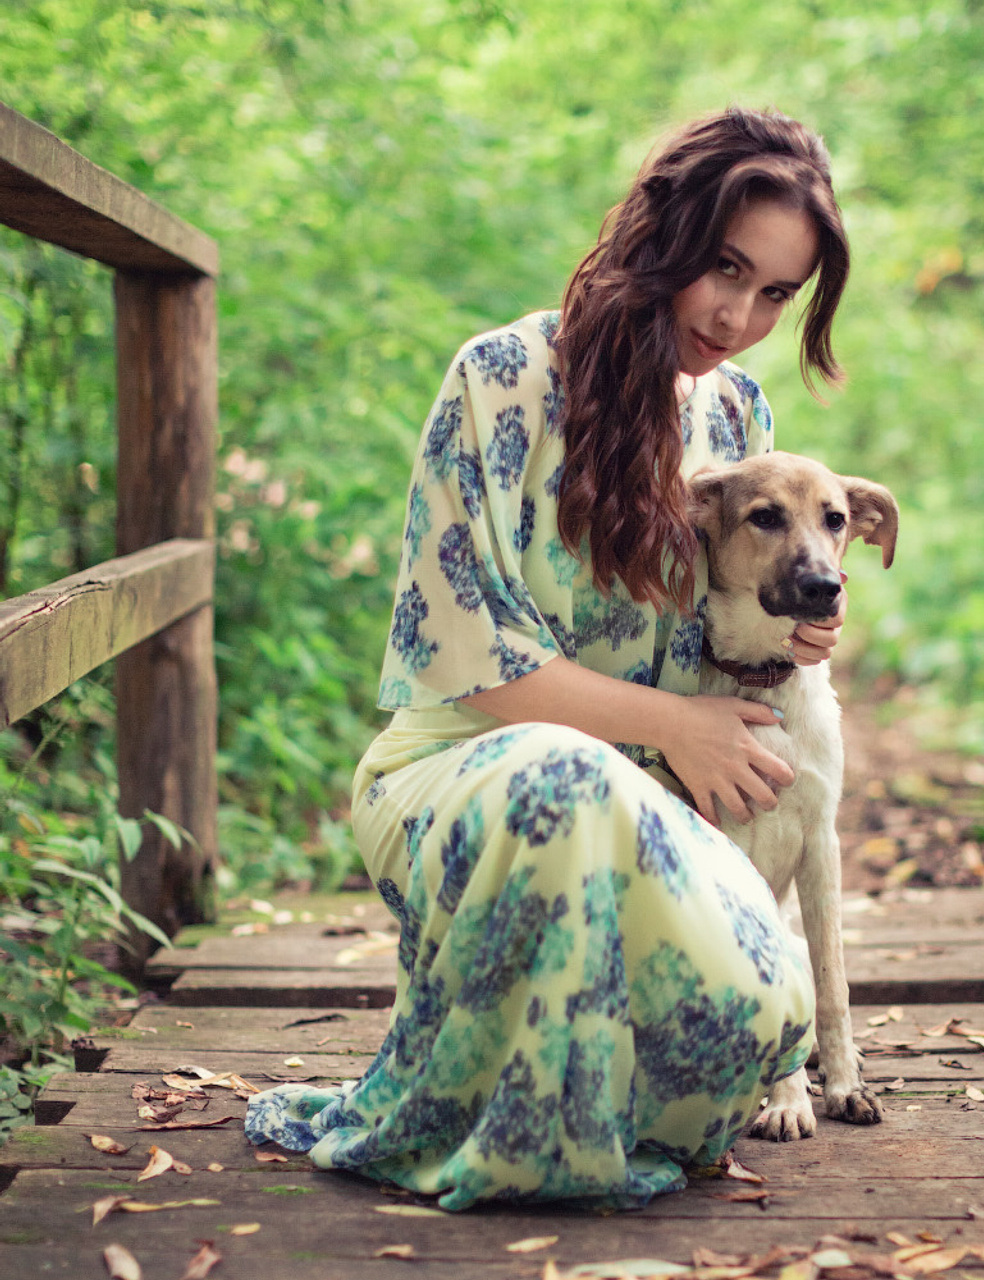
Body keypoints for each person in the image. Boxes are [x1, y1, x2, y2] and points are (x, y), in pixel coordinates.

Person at [246, 105, 852, 1210]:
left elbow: (732, 629)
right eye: (725, 267)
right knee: (565, 771)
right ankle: (513, 1129)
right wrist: (668, 724)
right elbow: (469, 657)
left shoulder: (738, 413)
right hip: (459, 779)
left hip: (655, 813)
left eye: (774, 293)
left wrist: (792, 627)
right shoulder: (500, 379)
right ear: (663, 228)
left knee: (755, 1023)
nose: (738, 314)